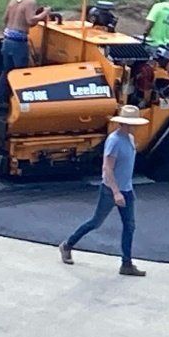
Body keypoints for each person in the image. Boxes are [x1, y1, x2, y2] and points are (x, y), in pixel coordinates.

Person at [58, 105, 146, 276]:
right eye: (132, 124)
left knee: (129, 226)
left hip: (126, 189)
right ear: (124, 123)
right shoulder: (114, 141)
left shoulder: (129, 138)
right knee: (96, 222)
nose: (134, 127)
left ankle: (126, 263)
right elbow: (107, 168)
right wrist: (116, 192)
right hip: (111, 190)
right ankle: (67, 245)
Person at [0, 0, 49, 108]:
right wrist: (44, 13)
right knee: (21, 74)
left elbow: (5, 18)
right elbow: (30, 21)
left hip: (7, 40)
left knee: (7, 71)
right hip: (18, 42)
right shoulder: (30, 2)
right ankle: (18, 105)